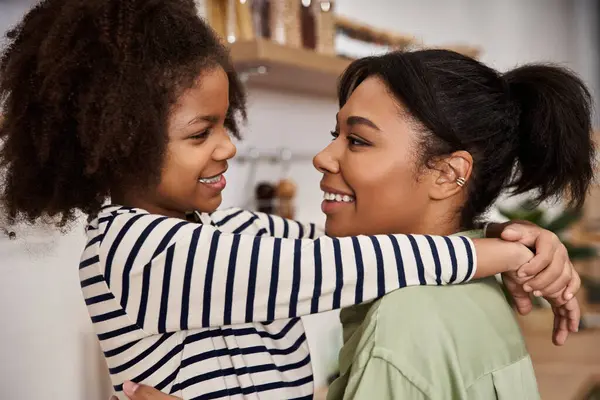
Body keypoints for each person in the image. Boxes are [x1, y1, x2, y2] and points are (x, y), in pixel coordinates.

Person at [0, 1, 579, 399]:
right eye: (200, 134)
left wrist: (511, 238)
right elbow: (327, 265)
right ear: (116, 140)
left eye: (225, 124)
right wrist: (500, 254)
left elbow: (360, 252)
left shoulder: (230, 234)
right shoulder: (132, 251)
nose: (228, 146)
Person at [315, 50, 595, 399]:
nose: (322, 157)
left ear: (448, 175)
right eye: (335, 134)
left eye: (357, 141)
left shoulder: (400, 326)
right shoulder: (482, 286)